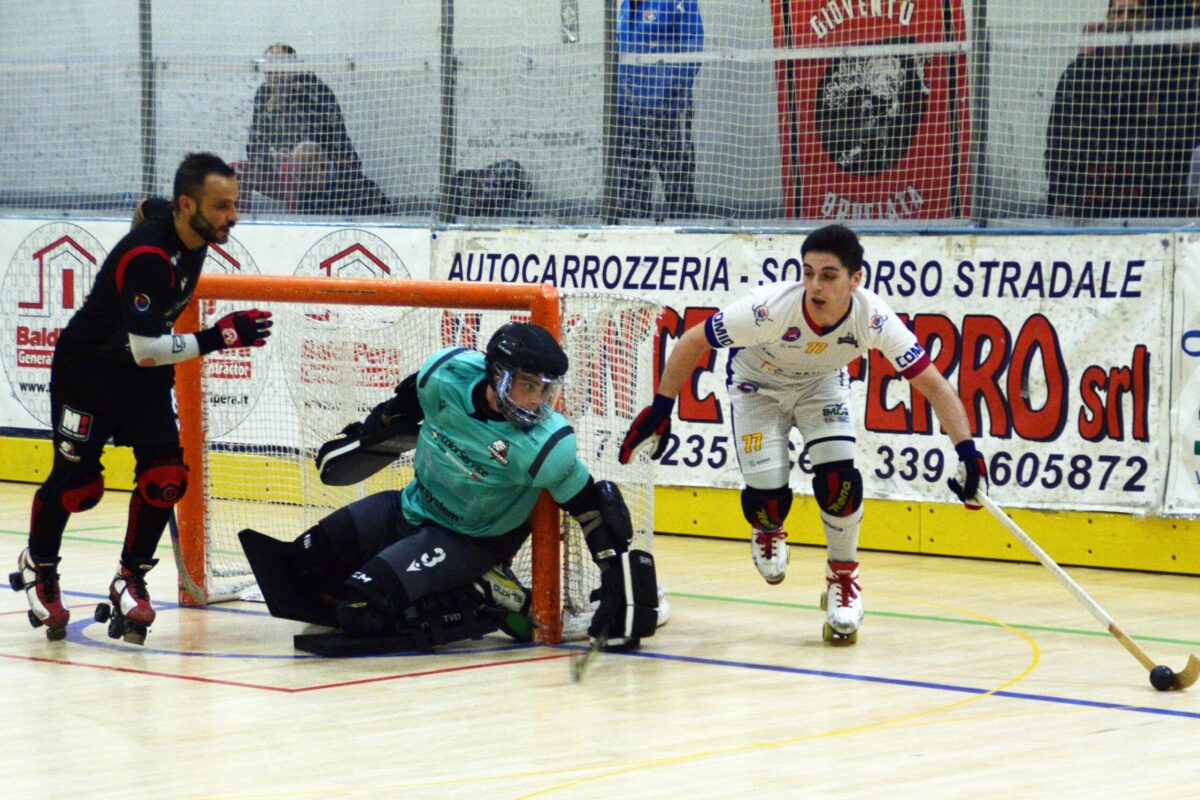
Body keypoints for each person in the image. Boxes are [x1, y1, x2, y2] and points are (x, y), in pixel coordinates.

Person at [618, 224, 987, 644]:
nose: (815, 285)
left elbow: (935, 385)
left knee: (840, 482)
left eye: (829, 275)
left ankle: (843, 580)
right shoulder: (769, 309)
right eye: (808, 272)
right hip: (757, 388)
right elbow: (692, 340)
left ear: (855, 279)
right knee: (766, 502)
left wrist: (968, 452)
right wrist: (661, 408)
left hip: (821, 386)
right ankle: (769, 529)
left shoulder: (874, 318)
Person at [252, 323, 657, 651]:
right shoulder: (444, 375)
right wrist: (364, 437)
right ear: (496, 375)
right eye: (528, 386)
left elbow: (591, 504)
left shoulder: (543, 446)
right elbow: (401, 410)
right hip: (410, 507)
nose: (537, 402)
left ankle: (490, 590)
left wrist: (617, 573)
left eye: (545, 390)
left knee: (360, 609)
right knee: (296, 568)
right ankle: (458, 586)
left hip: (468, 540)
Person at [9, 153, 274, 644]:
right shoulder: (150, 258)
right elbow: (148, 348)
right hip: (87, 373)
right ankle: (38, 564)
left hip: (140, 379)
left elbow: (148, 209)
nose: (232, 216)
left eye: (234, 204)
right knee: (78, 487)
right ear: (188, 205)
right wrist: (221, 336)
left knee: (168, 476)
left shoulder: (173, 219)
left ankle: (130, 578)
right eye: (221, 207)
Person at [1044, 0, 1199, 218]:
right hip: (1090, 204)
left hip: (1151, 206)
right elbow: (1061, 140)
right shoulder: (1081, 73)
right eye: (1117, 13)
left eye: (1134, 13)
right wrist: (1085, 59)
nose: (1125, 19)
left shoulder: (1167, 71)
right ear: (1107, 20)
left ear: (1151, 21)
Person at [245, 43, 390, 215]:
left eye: (277, 66)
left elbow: (320, 146)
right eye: (268, 68)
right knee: (236, 171)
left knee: (300, 164)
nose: (272, 74)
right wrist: (271, 157)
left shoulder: (315, 91)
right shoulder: (264, 95)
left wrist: (293, 158)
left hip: (318, 168)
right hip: (282, 168)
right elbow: (254, 147)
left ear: (293, 67)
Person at [612, 0, 703, 222]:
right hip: (630, 114)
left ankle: (688, 240)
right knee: (632, 188)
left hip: (666, 112)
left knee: (677, 185)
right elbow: (620, 52)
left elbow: (693, 47)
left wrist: (669, 89)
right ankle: (632, 242)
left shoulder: (679, 3)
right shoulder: (625, 6)